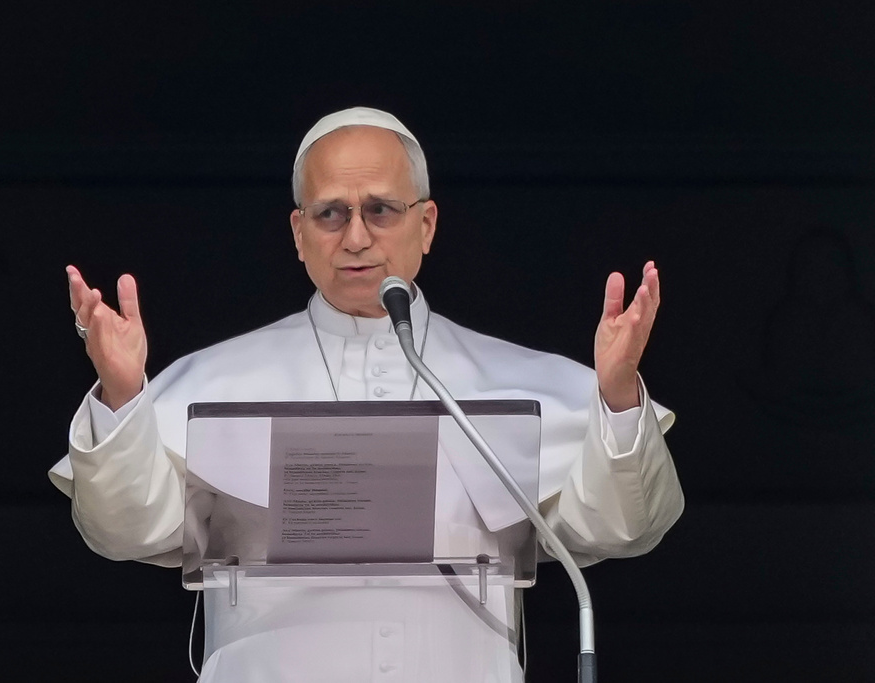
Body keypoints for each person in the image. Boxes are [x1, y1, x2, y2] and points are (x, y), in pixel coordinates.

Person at [49, 107, 684, 682]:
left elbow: (622, 530)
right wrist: (125, 391)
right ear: (298, 234)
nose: (355, 237)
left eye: (380, 209)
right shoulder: (212, 382)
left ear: (427, 223)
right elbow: (124, 533)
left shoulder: (522, 381)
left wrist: (619, 394)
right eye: (330, 213)